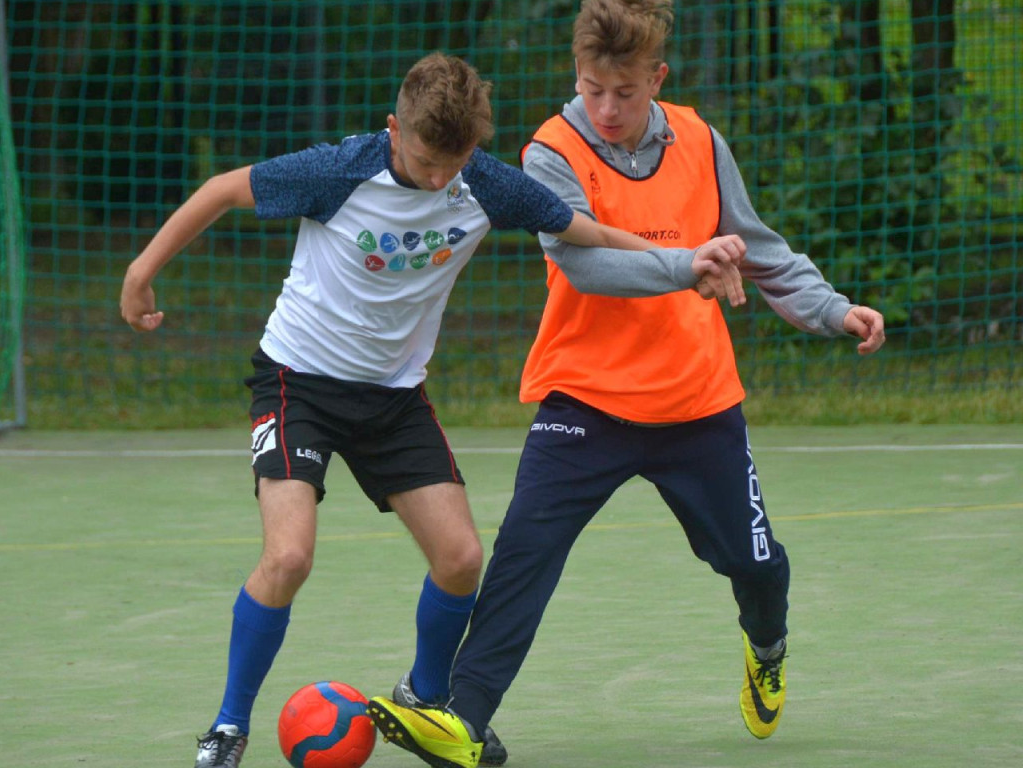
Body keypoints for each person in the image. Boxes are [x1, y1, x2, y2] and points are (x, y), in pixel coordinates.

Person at [120, 51, 745, 768]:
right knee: (289, 555)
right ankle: (228, 727)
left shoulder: (483, 182)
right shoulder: (339, 170)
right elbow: (222, 190)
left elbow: (589, 231)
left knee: (460, 558)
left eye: (455, 163)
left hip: (393, 401)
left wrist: (685, 263)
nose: (440, 177)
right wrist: (141, 273)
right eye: (424, 160)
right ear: (394, 129)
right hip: (301, 383)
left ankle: (425, 700)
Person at [365, 3, 887, 767]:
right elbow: (584, 263)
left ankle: (766, 646)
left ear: (658, 79)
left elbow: (760, 248)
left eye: (625, 93)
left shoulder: (701, 140)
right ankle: (466, 719)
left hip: (696, 400)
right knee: (523, 554)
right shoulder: (551, 149)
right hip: (586, 397)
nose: (605, 109)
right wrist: (688, 265)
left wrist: (833, 310)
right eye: (591, 88)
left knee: (757, 565)